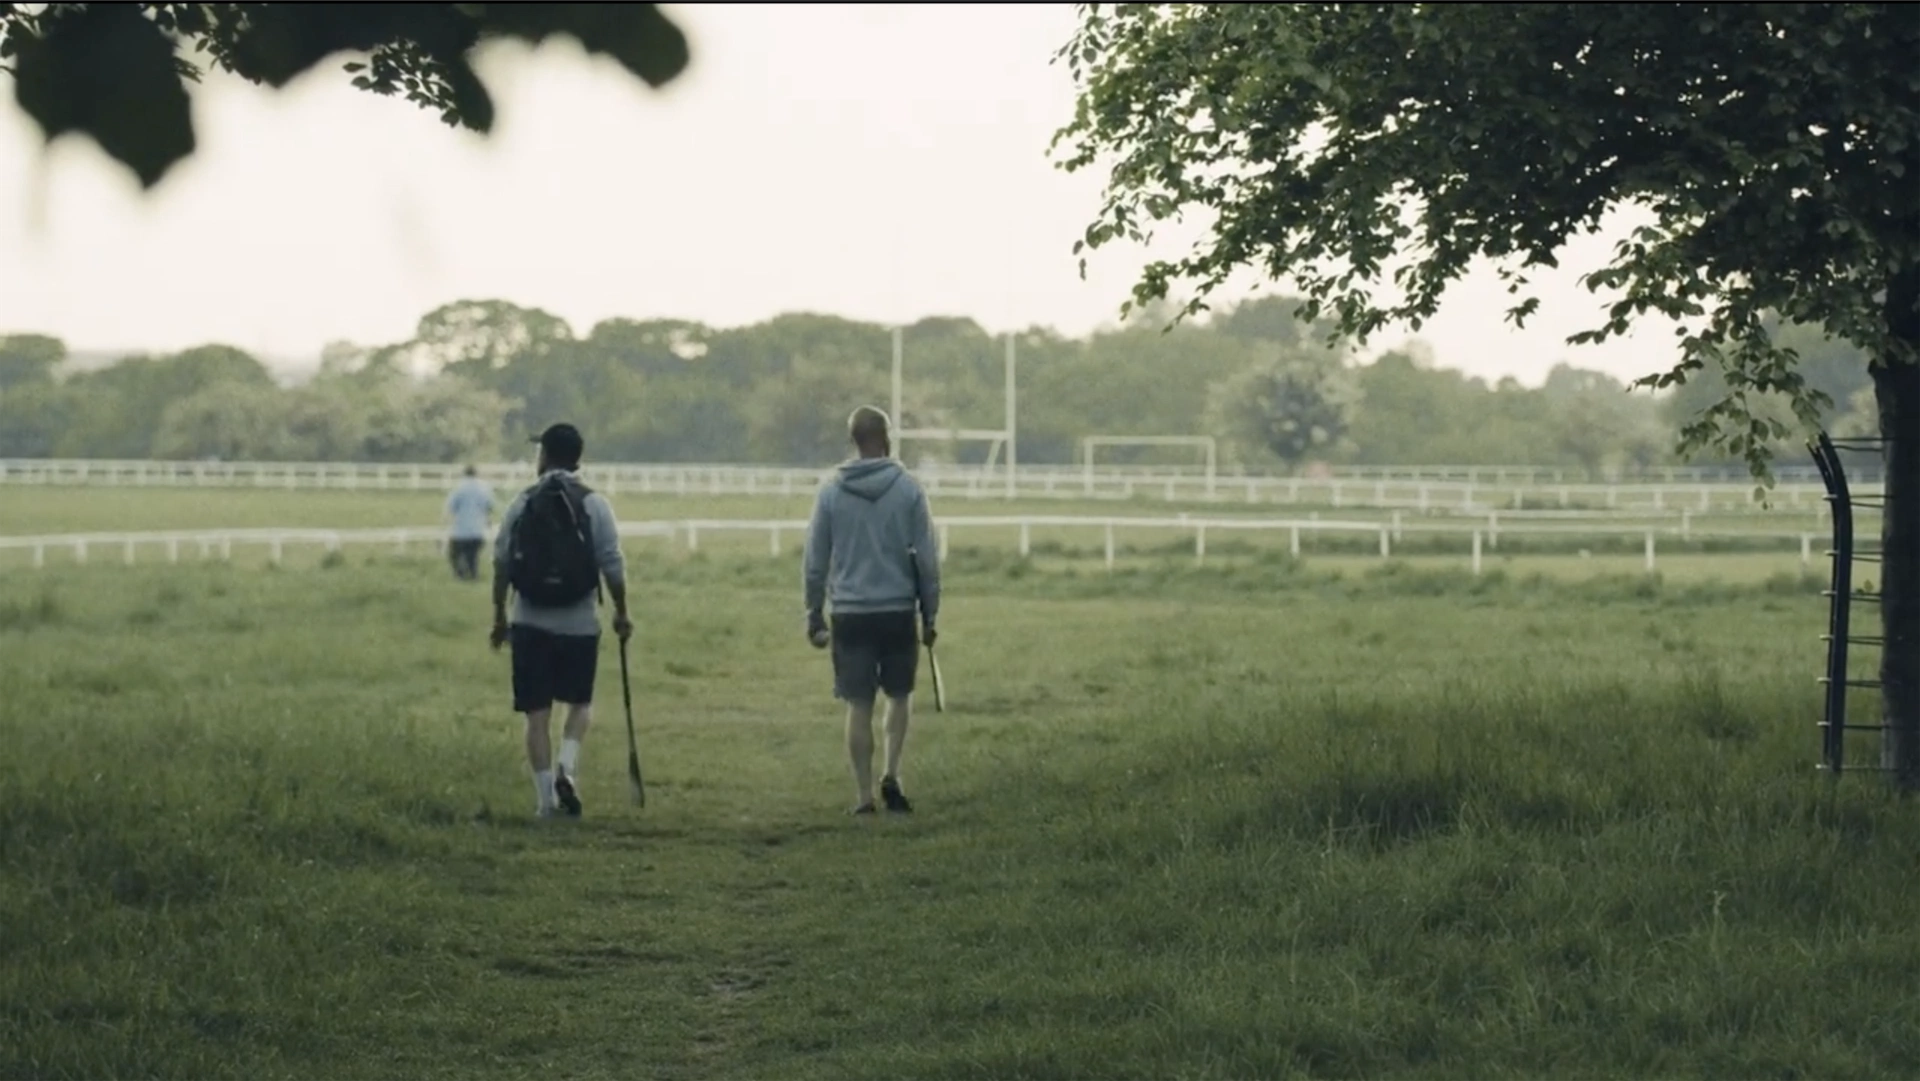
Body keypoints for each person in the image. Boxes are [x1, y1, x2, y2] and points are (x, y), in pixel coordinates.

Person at [802, 405, 941, 816]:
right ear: (887, 436)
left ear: (854, 440)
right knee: (899, 696)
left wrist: (813, 611)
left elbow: (815, 560)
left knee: (858, 704)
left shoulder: (830, 492)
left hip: (850, 613)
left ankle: (863, 797)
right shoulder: (909, 489)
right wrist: (930, 613)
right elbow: (927, 559)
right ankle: (893, 775)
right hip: (897, 609)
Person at [489, 423, 633, 820]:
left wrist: (499, 614)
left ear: (546, 456)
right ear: (578, 459)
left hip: (529, 621)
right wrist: (621, 610)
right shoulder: (594, 504)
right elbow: (612, 563)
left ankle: (544, 802)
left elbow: (501, 562)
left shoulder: (522, 502)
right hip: (580, 622)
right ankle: (567, 767)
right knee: (580, 703)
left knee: (537, 715)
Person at [444, 464, 495, 581]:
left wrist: (445, 524)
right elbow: (489, 507)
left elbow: (450, 508)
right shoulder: (484, 489)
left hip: (460, 531)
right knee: (473, 556)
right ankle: (473, 575)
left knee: (454, 554)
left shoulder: (459, 488)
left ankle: (460, 575)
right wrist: (488, 522)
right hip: (477, 530)